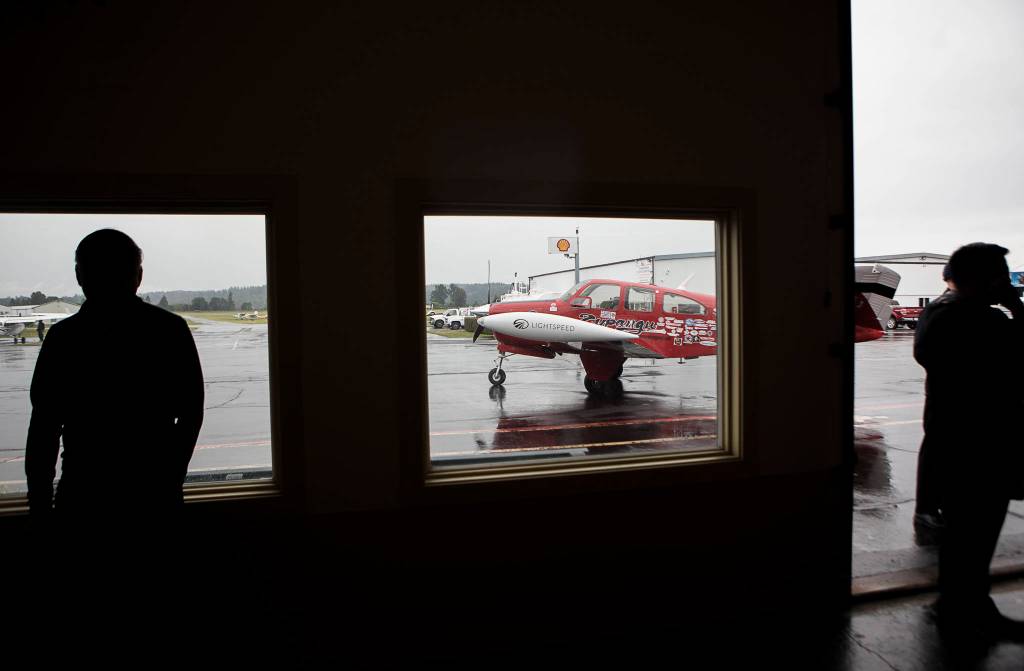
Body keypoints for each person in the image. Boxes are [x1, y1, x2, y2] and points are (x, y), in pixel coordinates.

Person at [25, 229, 204, 517]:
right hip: (155, 494)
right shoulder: (170, 330)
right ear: (138, 275)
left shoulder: (63, 339)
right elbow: (191, 414)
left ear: (80, 276)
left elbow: (43, 432)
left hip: (83, 494)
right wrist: (169, 476)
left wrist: (40, 505)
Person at [913, 242, 1024, 643]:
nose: (1005, 281)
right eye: (1001, 273)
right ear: (986, 277)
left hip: (956, 441)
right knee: (975, 536)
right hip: (981, 447)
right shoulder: (976, 319)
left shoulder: (939, 313)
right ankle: (969, 613)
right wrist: (1016, 306)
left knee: (964, 539)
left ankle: (959, 606)